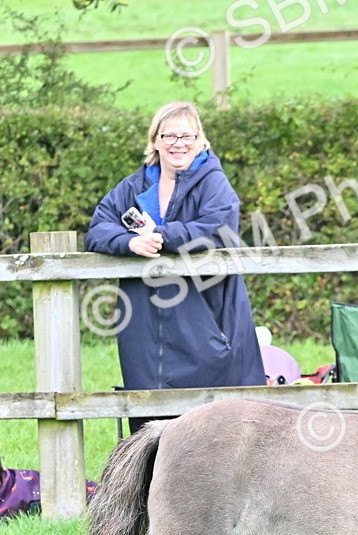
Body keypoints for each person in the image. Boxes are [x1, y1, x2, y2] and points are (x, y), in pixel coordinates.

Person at [85, 101, 265, 433]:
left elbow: (218, 229)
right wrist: (129, 243)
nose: (178, 144)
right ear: (155, 140)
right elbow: (97, 229)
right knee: (150, 426)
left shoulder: (214, 183)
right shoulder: (134, 186)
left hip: (205, 317)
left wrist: (162, 235)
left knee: (211, 427)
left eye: (186, 136)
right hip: (144, 324)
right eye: (169, 135)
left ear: (199, 140)